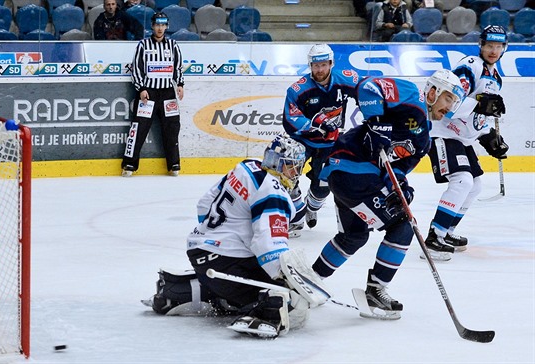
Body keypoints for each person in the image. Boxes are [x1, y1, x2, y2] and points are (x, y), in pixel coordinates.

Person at [311, 70, 465, 318]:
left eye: (454, 103)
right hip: (353, 171)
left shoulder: (423, 140)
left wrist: (402, 189)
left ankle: (310, 280)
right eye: (448, 99)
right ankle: (376, 290)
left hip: (352, 176)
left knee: (354, 236)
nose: (449, 108)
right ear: (434, 92)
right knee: (403, 226)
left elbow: (396, 172)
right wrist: (376, 123)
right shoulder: (410, 95)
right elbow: (368, 86)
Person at [145, 135, 330, 338]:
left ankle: (179, 290)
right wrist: (288, 283)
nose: (295, 173)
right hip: (226, 263)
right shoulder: (273, 191)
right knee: (294, 302)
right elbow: (269, 246)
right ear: (278, 163)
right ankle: (264, 313)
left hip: (199, 252)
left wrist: (218, 234)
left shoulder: (247, 167)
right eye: (292, 166)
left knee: (242, 279)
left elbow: (204, 205)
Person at [423, 25, 509, 261]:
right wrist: (480, 105)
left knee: (475, 186)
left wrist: (489, 136)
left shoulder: (496, 78)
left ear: (504, 49)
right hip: (443, 132)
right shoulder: (471, 65)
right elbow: (449, 106)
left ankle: (447, 230)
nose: (493, 50)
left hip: (461, 138)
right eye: (489, 45)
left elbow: (477, 116)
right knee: (462, 181)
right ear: (481, 45)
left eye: (498, 46)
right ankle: (434, 237)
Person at [282, 44, 359, 237]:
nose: (319, 70)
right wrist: (316, 124)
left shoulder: (346, 79)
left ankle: (312, 206)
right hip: (302, 140)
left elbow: (367, 91)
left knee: (324, 185)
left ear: (331, 63)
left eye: (323, 65)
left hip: (331, 144)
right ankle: (296, 212)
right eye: (315, 65)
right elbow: (290, 117)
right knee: (284, 169)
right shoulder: (298, 89)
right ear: (310, 66)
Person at [122, 12, 184, 177]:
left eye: (163, 25)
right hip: (148, 93)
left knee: (172, 128)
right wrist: (141, 88)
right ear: (152, 26)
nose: (160, 28)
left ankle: (174, 163)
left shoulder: (173, 45)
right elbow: (137, 68)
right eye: (157, 25)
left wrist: (180, 84)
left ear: (167, 26)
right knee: (139, 128)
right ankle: (129, 164)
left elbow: (178, 67)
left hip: (167, 94)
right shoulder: (143, 45)